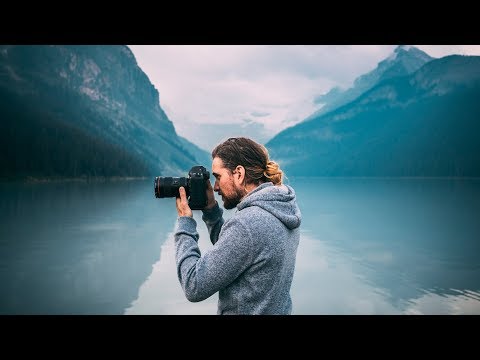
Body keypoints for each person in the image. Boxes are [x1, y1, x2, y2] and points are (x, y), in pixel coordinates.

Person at [174, 137, 302, 314]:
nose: (215, 187)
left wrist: (185, 223)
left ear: (239, 174)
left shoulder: (247, 224)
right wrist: (211, 211)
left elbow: (194, 285)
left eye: (218, 177)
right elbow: (240, 252)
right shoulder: (283, 208)